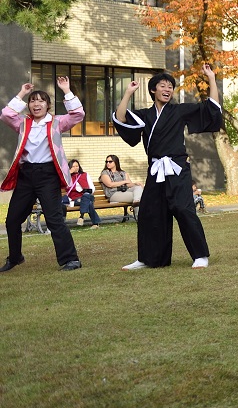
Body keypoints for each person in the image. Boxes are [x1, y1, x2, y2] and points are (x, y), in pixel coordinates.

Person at [114, 64, 221, 270]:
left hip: (177, 168)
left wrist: (212, 79)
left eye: (170, 86)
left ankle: (200, 255)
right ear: (153, 90)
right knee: (150, 212)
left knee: (183, 209)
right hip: (155, 169)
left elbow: (211, 108)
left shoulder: (179, 111)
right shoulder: (145, 115)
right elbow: (120, 118)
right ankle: (149, 259)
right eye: (162, 86)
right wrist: (128, 93)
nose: (167, 89)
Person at [0, 77, 84, 272]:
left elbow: (78, 114)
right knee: (12, 219)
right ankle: (15, 257)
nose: (36, 104)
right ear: (28, 105)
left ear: (48, 105)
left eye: (41, 101)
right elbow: (5, 114)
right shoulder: (22, 123)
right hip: (26, 175)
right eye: (32, 100)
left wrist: (66, 90)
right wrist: (22, 93)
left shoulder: (57, 122)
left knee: (54, 219)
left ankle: (71, 260)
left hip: (48, 175)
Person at [64, 159, 101, 228]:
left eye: (77, 166)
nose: (76, 168)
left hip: (87, 196)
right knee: (89, 203)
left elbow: (92, 188)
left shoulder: (84, 175)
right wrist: (68, 174)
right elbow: (66, 187)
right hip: (75, 199)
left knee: (86, 196)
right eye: (73, 166)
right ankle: (95, 223)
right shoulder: (67, 177)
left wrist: (86, 191)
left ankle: (81, 216)